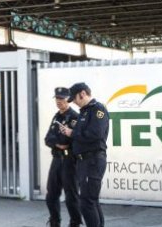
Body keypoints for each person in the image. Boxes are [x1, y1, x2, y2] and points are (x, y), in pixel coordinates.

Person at [61, 83, 110, 227]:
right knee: (91, 201)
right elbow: (82, 134)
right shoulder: (84, 111)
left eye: (74, 99)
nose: (74, 103)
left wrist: (73, 133)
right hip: (84, 162)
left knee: (86, 203)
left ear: (82, 94)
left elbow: (96, 134)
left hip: (93, 160)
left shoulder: (98, 109)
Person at [45, 88, 82, 227]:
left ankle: (75, 223)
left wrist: (61, 141)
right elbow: (47, 139)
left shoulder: (74, 117)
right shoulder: (56, 117)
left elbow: (74, 140)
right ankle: (55, 221)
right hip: (56, 159)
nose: (59, 101)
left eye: (62, 98)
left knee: (71, 196)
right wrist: (57, 143)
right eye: (57, 98)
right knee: (51, 195)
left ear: (69, 99)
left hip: (69, 161)